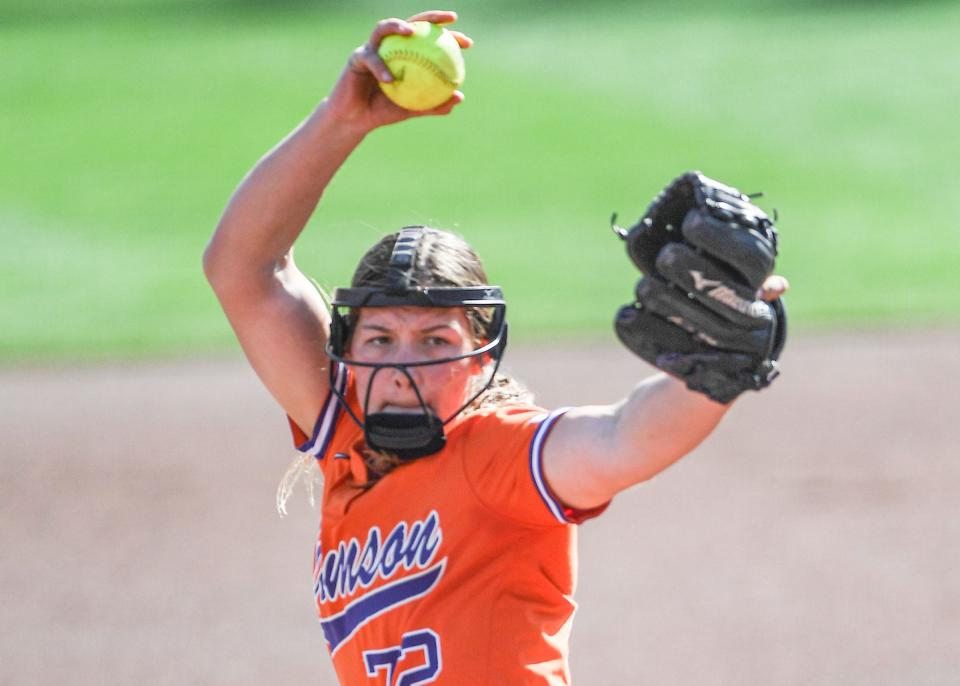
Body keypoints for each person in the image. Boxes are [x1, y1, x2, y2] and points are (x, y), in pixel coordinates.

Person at [203, 10, 788, 685]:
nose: (401, 366)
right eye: (381, 338)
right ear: (349, 352)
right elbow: (243, 269)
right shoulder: (344, 440)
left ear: (480, 357)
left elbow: (624, 439)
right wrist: (341, 122)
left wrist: (709, 374)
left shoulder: (497, 453)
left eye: (433, 339)